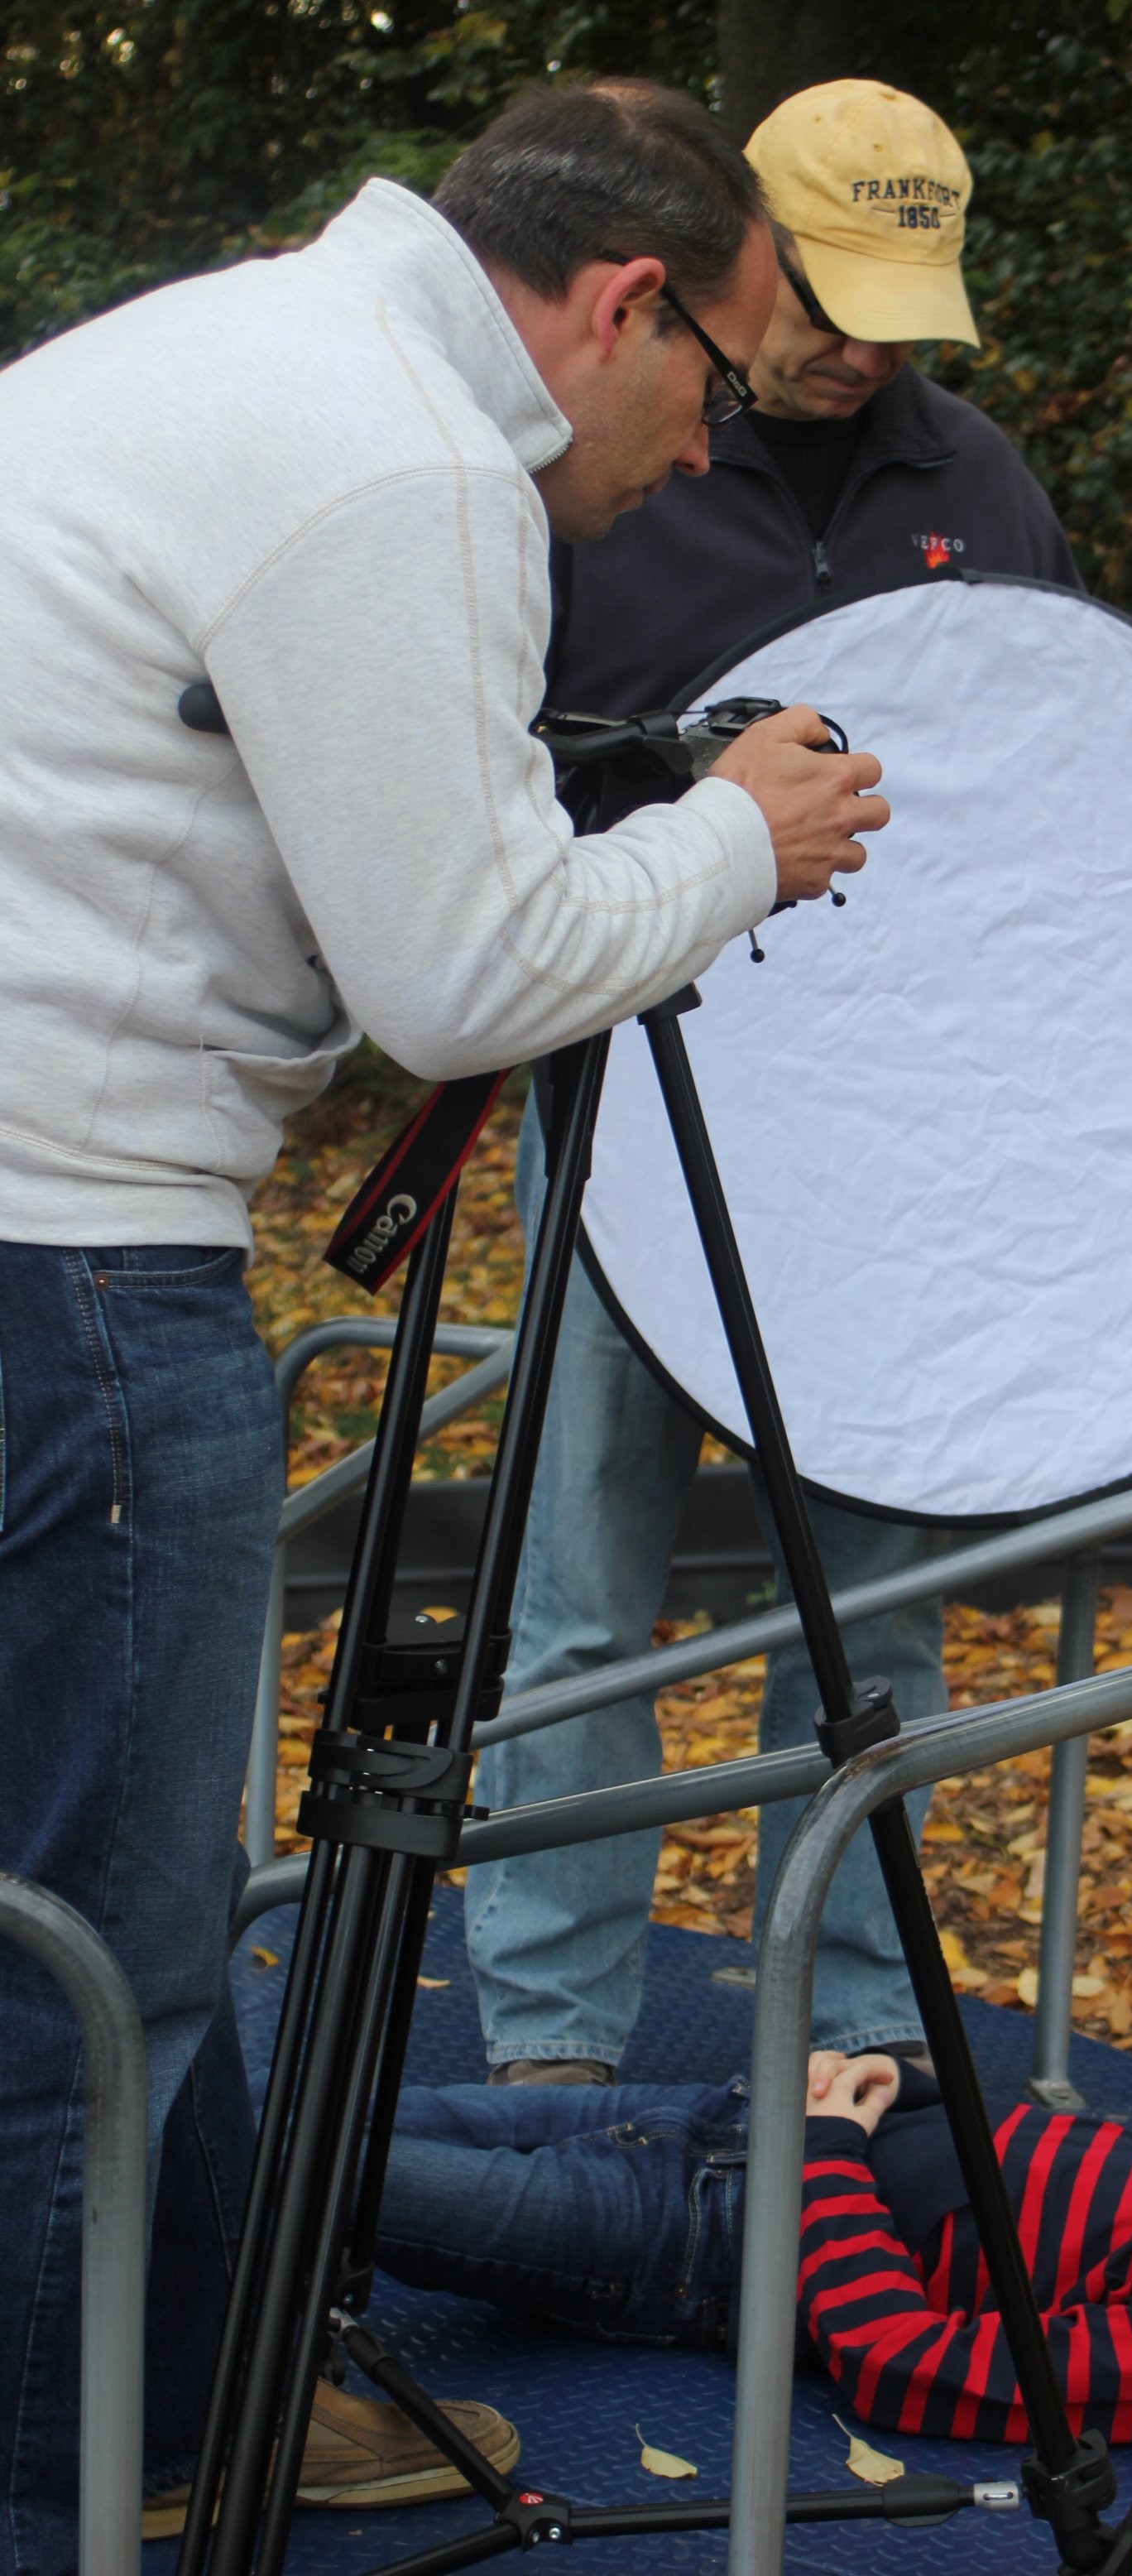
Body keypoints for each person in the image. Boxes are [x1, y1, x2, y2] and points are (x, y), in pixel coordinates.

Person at [0, 78, 891, 2568]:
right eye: (712, 372)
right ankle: (117, 2470)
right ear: (620, 309)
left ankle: (191, 2394)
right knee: (107, 1945)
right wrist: (741, 837)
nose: (702, 434)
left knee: (71, 1898)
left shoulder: (233, 353)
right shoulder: (406, 468)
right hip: (67, 1247)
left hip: (41, 1210)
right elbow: (468, 970)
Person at [468, 76, 1132, 2088]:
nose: (854, 340)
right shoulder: (591, 450)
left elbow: (1075, 810)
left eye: (898, 298)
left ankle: (863, 2031)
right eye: (824, 291)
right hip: (627, 1115)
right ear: (736, 243)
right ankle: (545, 2049)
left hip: (907, 1166)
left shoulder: (975, 474)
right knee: (579, 1610)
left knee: (882, 1620)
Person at [373, 2050, 1132, 2468]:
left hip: (699, 2233)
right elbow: (1029, 2191)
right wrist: (899, 2094)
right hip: (734, 2127)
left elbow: (898, 2359)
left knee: (318, 2172)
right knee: (317, 2116)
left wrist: (826, 2149)